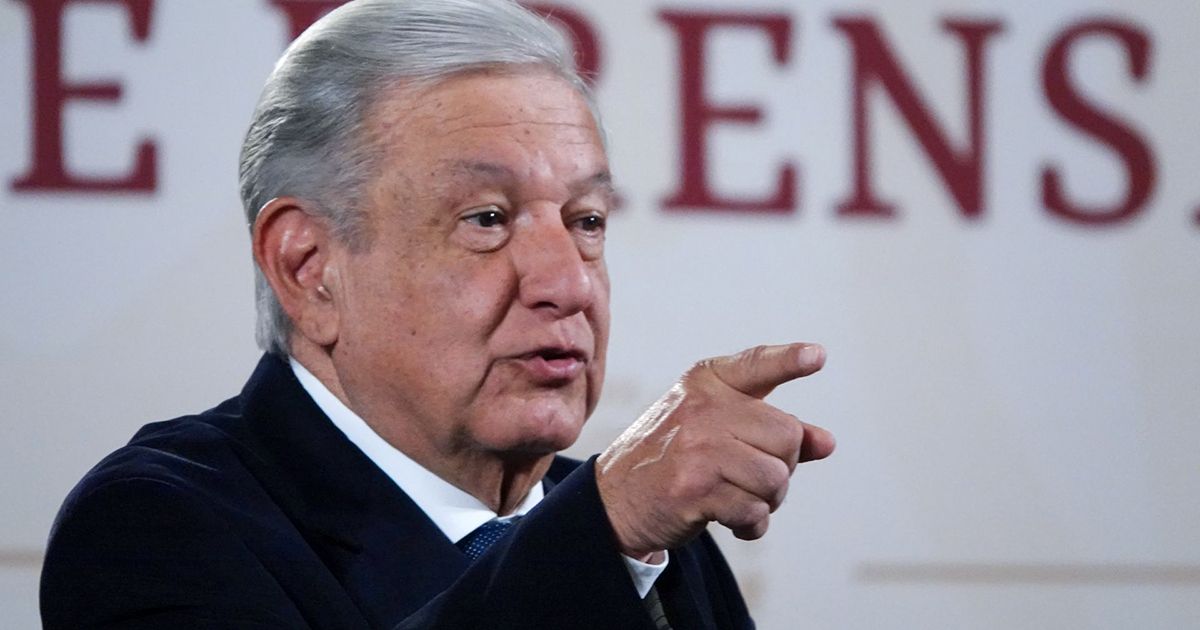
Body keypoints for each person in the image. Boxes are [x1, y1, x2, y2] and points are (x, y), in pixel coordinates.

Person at [39, 0, 836, 628]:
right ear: (308, 268)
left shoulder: (647, 539)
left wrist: (608, 527)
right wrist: (603, 529)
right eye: (487, 219)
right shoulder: (154, 527)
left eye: (586, 220)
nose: (568, 283)